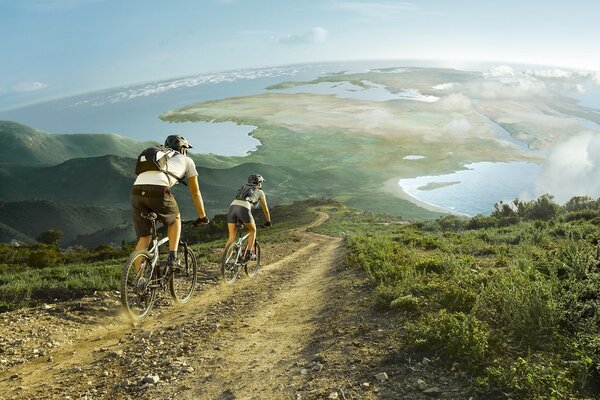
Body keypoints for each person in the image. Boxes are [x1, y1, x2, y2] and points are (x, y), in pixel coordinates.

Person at [131, 135, 209, 267]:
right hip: (158, 190)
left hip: (136, 192)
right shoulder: (187, 160)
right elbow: (195, 192)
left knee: (144, 238)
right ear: (183, 148)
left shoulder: (160, 156)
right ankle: (173, 257)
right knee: (175, 218)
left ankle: (140, 279)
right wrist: (202, 216)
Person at [226, 174, 271, 260]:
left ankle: (226, 260)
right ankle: (249, 253)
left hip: (232, 207)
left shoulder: (243, 188)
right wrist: (268, 221)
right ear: (259, 183)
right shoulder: (260, 192)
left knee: (231, 236)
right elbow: (265, 210)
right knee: (253, 230)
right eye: (261, 183)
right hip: (244, 209)